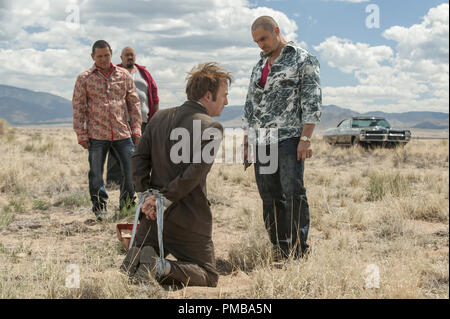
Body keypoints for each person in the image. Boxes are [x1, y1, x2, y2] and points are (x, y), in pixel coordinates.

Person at [120, 62, 231, 287]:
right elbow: (194, 174)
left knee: (131, 271)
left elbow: (138, 159)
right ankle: (160, 267)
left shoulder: (158, 118)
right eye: (224, 95)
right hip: (188, 219)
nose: (226, 102)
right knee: (209, 275)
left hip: (151, 218)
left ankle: (143, 262)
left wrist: (146, 198)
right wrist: (161, 201)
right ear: (208, 96)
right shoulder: (212, 127)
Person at [242, 16, 322, 259]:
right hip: (261, 140)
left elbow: (312, 100)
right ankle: (279, 247)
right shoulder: (259, 66)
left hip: (288, 137)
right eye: (256, 42)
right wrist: (247, 141)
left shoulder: (302, 58)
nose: (260, 45)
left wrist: (305, 139)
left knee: (292, 192)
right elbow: (250, 104)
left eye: (263, 39)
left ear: (276, 31)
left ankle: (299, 250)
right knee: (269, 195)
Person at [72, 40, 142, 221]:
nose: (103, 59)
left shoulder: (123, 75)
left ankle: (127, 204)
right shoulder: (84, 78)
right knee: (96, 173)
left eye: (106, 55)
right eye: (99, 56)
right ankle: (100, 208)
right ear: (93, 57)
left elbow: (134, 103)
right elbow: (78, 107)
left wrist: (136, 128)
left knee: (130, 171)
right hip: (96, 135)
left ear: (111, 54)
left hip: (122, 132)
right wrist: (81, 133)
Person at [106, 46, 160, 186]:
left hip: (142, 118)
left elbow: (154, 95)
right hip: (120, 119)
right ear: (121, 58)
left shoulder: (144, 73)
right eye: (127, 55)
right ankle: (114, 182)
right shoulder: (115, 72)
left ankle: (138, 181)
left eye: (132, 55)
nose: (130, 57)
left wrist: (155, 118)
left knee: (141, 151)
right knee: (116, 150)